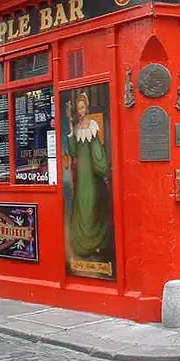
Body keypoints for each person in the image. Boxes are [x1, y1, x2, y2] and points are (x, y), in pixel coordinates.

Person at [65, 92, 112, 259]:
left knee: (91, 205)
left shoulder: (92, 125)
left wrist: (102, 168)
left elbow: (97, 150)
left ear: (87, 107)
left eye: (82, 107)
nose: (80, 111)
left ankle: (97, 243)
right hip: (81, 175)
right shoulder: (77, 128)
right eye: (78, 108)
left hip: (91, 175)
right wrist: (71, 128)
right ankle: (84, 245)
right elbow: (72, 152)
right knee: (82, 206)